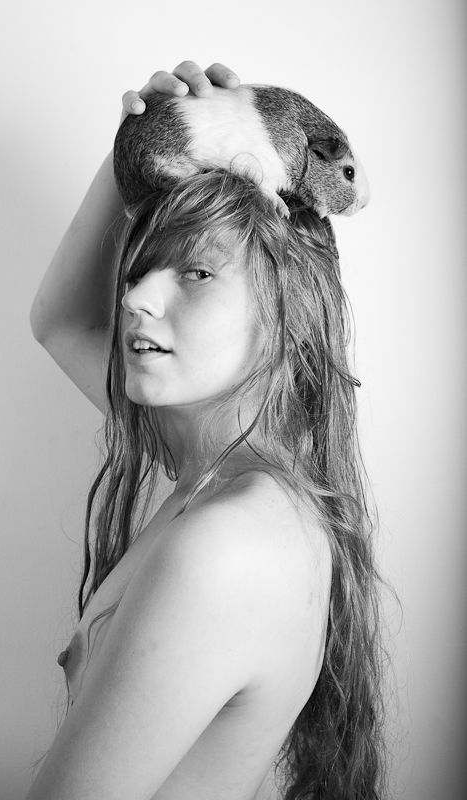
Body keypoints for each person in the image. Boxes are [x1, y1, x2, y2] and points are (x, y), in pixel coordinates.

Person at [26, 61, 387, 800]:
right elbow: (62, 323)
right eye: (140, 269)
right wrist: (141, 140)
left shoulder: (225, 545)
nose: (136, 298)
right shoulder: (216, 468)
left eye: (194, 273)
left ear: (288, 309)